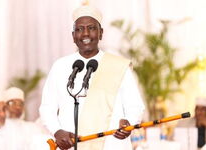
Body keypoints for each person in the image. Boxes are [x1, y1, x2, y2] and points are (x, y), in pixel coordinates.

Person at [39, 5, 145, 150]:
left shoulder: (119, 66)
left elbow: (135, 106)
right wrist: (57, 131)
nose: (85, 34)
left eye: (91, 28)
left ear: (101, 33)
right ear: (73, 36)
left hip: (111, 144)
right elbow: (47, 108)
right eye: (79, 29)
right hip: (71, 145)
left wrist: (129, 122)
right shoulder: (60, 66)